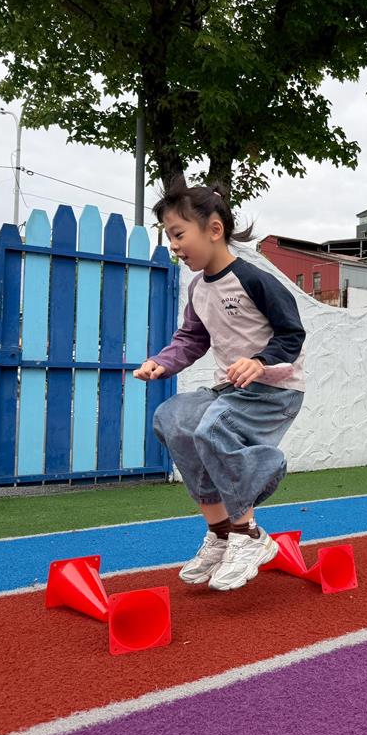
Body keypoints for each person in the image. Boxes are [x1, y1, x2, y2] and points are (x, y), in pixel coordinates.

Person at [136, 180, 306, 592]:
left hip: (274, 391)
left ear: (214, 229)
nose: (174, 245)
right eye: (169, 236)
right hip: (230, 390)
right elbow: (192, 338)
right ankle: (222, 532)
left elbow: (292, 333)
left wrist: (259, 361)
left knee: (212, 427)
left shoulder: (253, 279)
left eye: (179, 234)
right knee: (173, 419)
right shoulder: (198, 288)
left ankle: (249, 535)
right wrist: (162, 362)